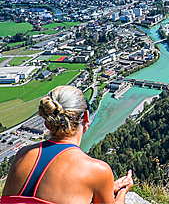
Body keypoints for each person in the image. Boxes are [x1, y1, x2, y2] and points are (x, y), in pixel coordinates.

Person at [1, 85, 133, 204]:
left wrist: (105, 188)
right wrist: (122, 192)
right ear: (86, 117)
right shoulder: (97, 170)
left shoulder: (22, 154)